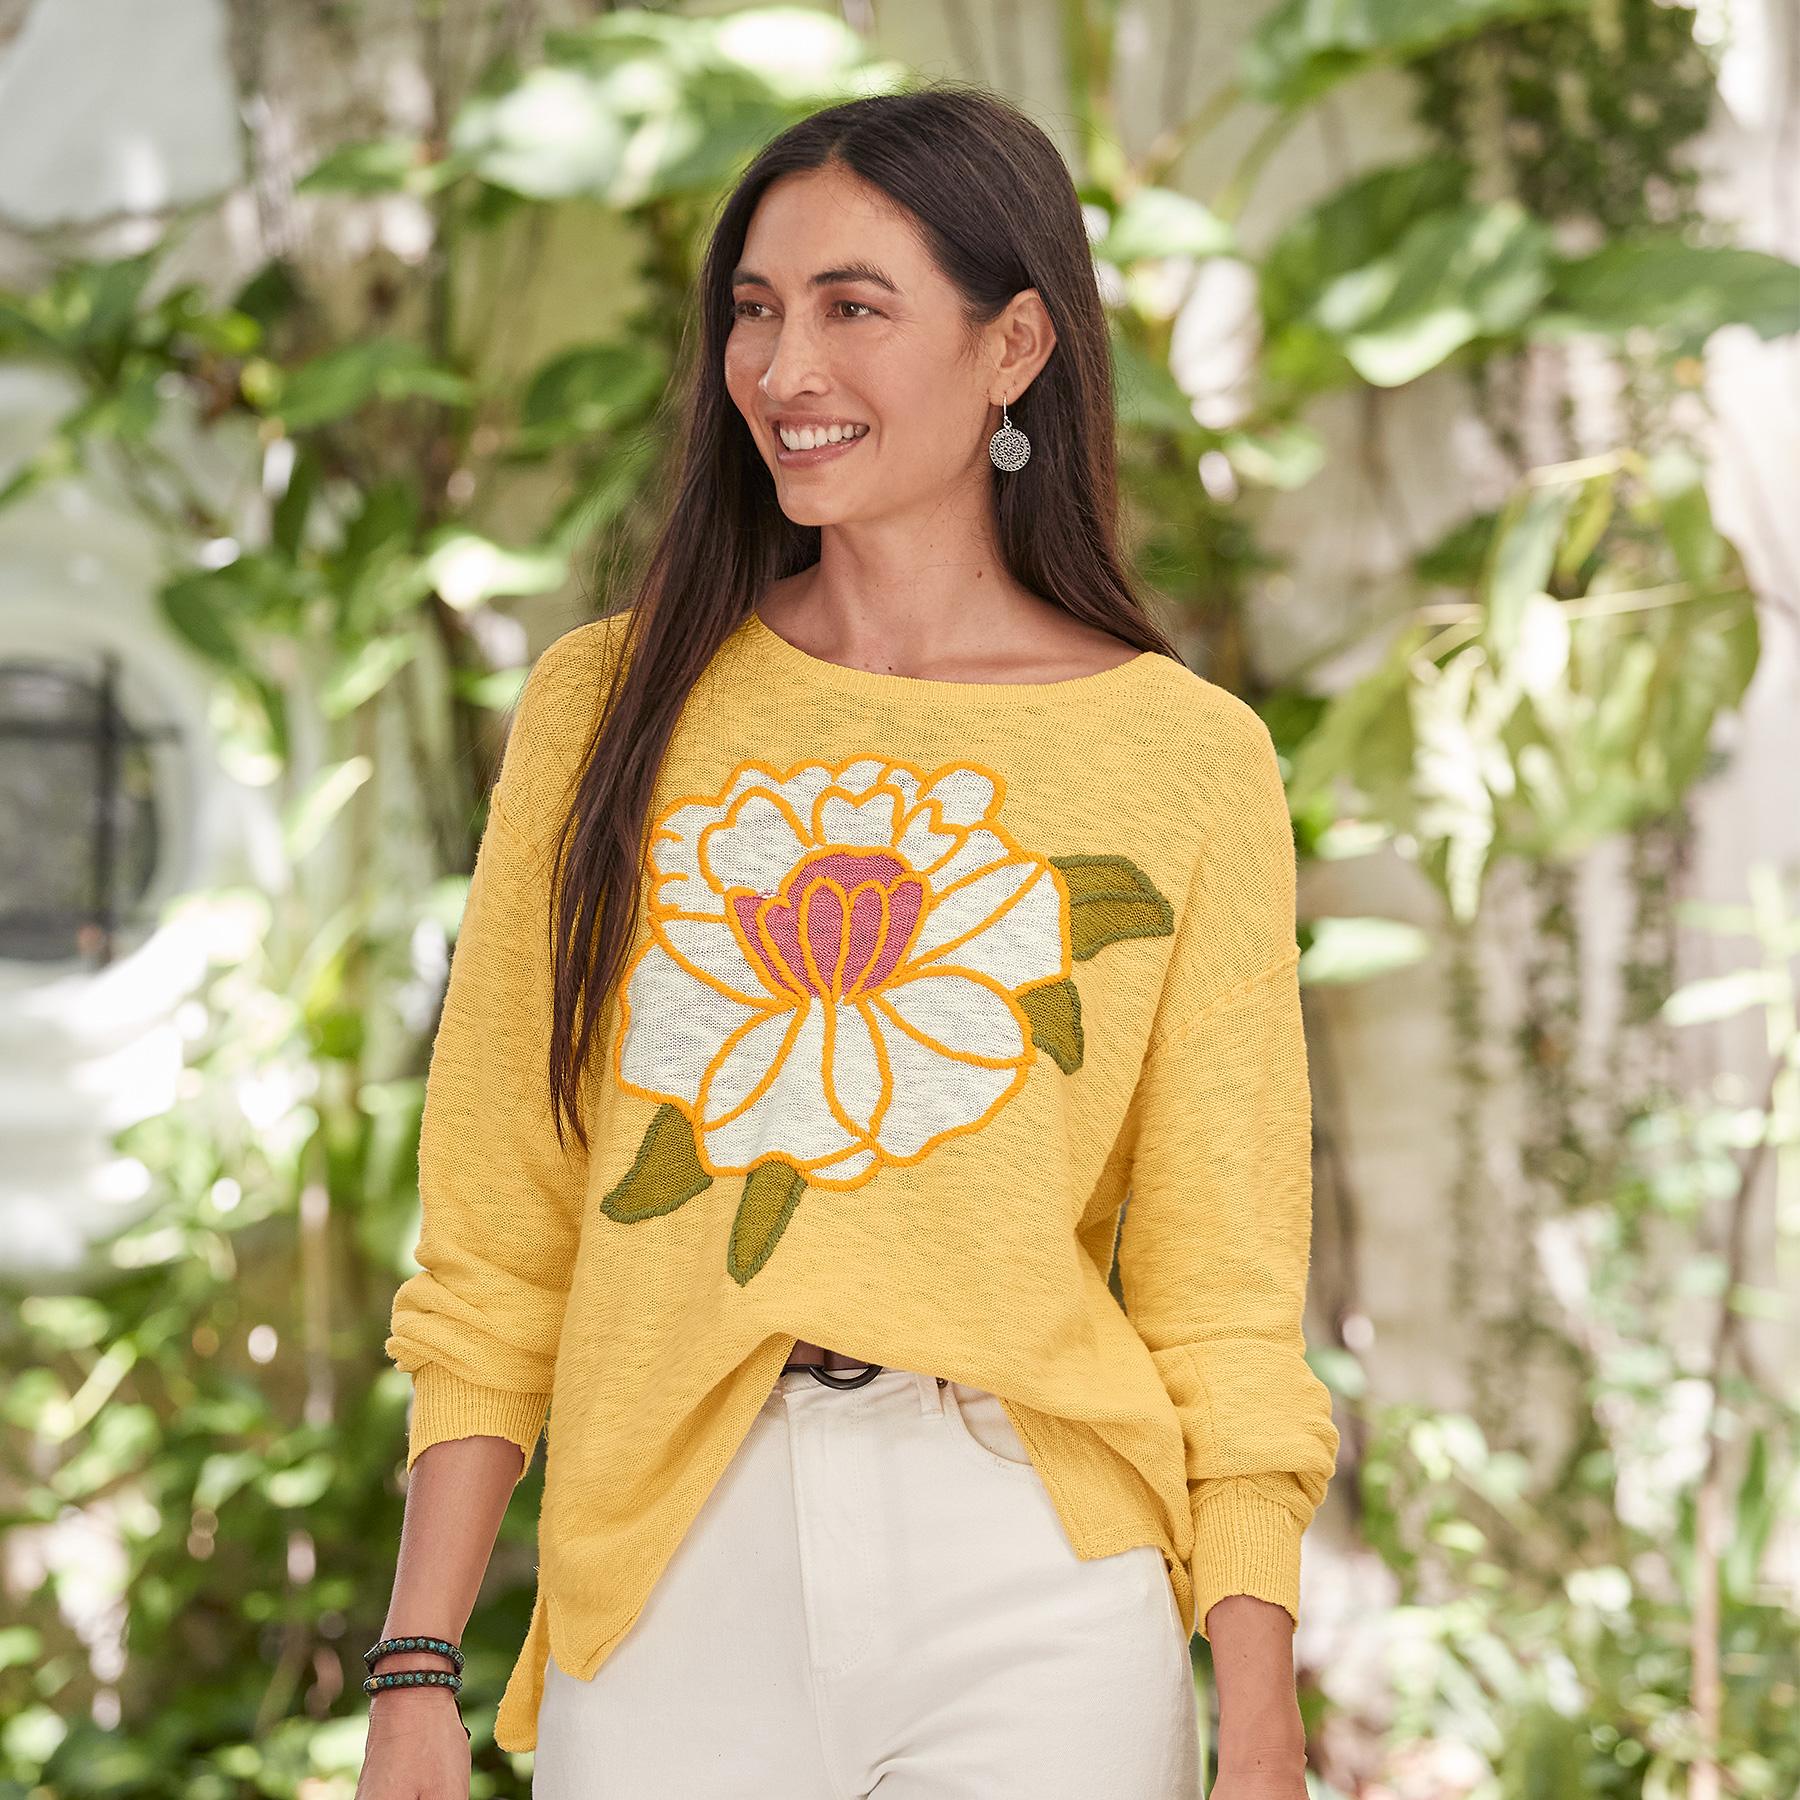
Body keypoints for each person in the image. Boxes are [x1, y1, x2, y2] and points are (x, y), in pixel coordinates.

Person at [358, 83, 1339, 1800]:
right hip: (669, 1562)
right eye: (755, 309)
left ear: (1014, 345)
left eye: (852, 307)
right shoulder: (608, 708)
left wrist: (1257, 1714)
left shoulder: (1185, 760)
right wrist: (415, 1665)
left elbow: (1224, 1298)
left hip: (1036, 1575)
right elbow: (501, 1238)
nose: (783, 368)